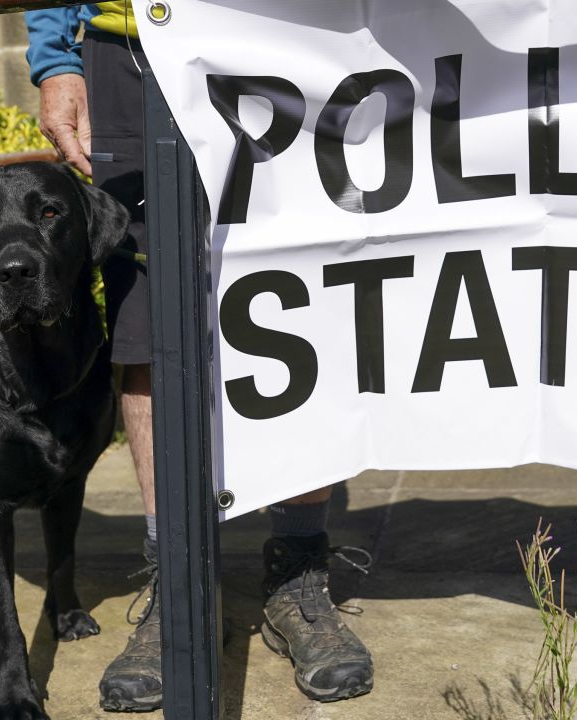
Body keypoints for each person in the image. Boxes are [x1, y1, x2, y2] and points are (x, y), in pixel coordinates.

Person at [25, 4, 375, 712]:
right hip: (135, 44)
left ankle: (298, 575)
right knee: (148, 324)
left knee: (304, 304)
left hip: (296, 38)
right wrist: (58, 58)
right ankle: (176, 585)